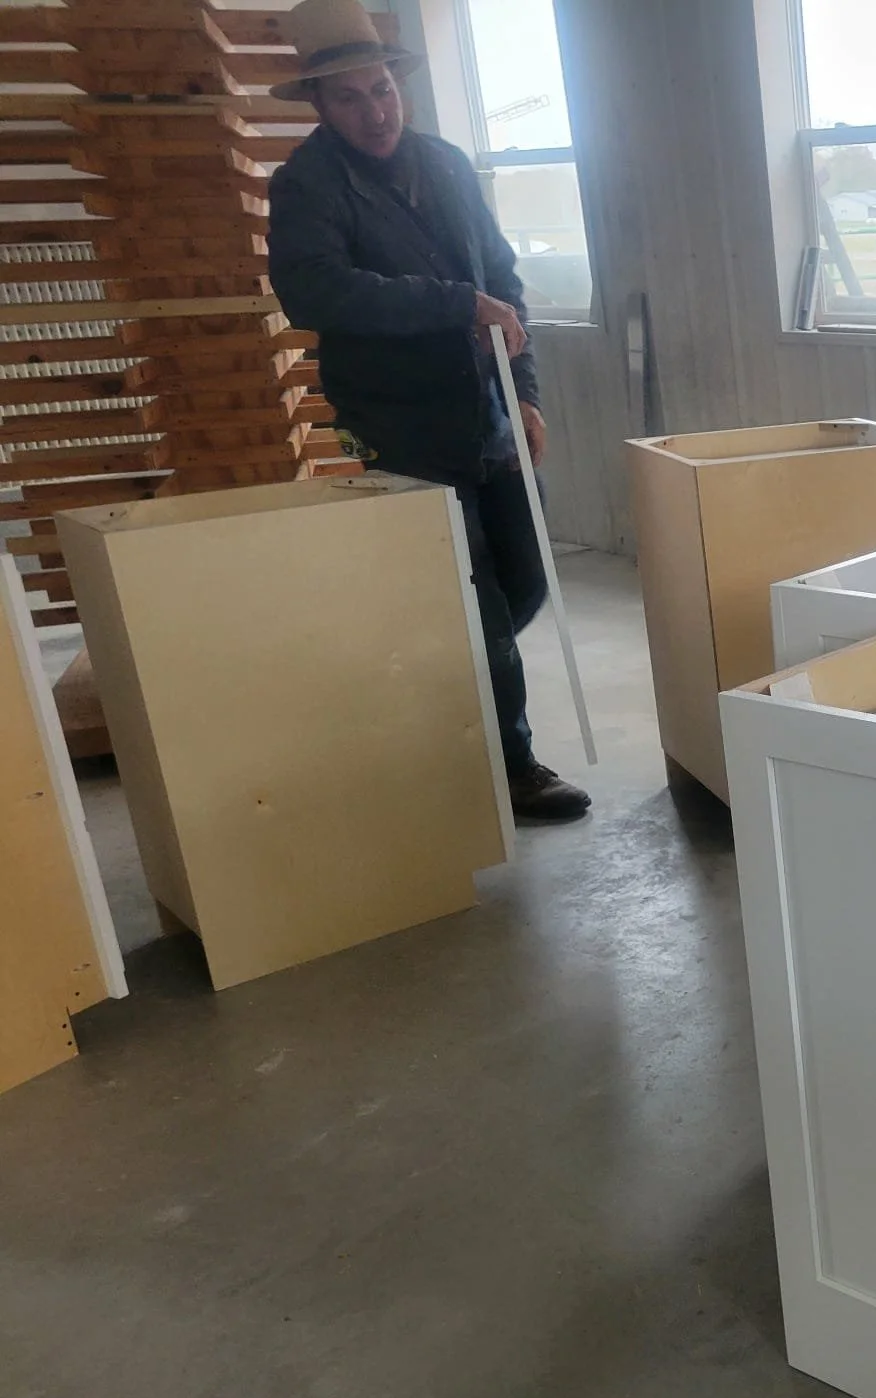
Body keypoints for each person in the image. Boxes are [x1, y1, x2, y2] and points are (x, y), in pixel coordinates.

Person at [266, 0, 591, 822]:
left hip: (487, 413)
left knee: (520, 578)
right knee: (472, 592)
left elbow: (505, 287)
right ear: (319, 105)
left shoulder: (446, 164)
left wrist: (525, 395)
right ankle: (511, 766)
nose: (374, 113)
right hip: (398, 423)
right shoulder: (304, 185)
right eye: (349, 99)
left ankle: (446, 693)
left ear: (398, 85)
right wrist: (453, 303)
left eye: (381, 91)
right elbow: (315, 290)